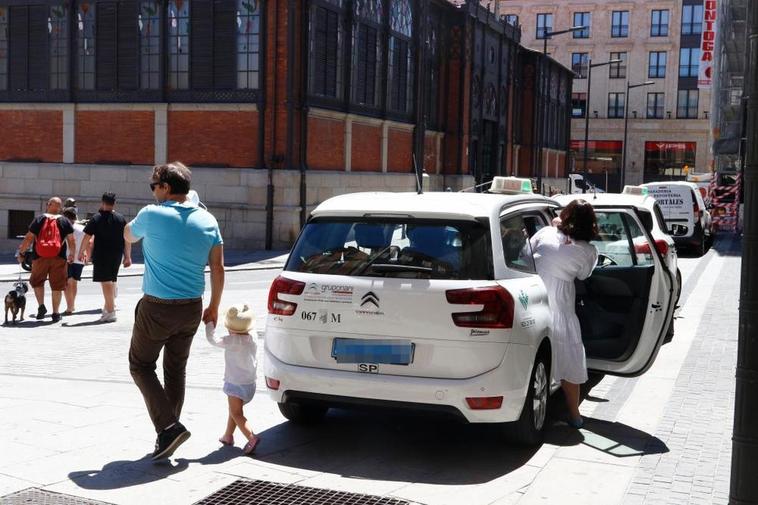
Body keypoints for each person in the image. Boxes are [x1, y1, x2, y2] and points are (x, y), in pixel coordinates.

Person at [124, 161, 225, 461]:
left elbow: (129, 235)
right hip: (192, 307)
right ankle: (168, 432)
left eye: (154, 186)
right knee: (175, 369)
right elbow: (218, 268)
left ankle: (168, 427)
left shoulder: (152, 214)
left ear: (166, 188)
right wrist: (214, 306)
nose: (153, 191)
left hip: (157, 307)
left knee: (140, 365)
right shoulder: (208, 220)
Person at [529, 200, 598, 429]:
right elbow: (583, 275)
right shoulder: (588, 251)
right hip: (561, 305)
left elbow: (525, 253)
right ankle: (575, 416)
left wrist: (556, 226)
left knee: (536, 360)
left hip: (534, 299)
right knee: (569, 360)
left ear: (565, 215)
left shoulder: (545, 232)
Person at [205, 304, 260, 455]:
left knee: (236, 413)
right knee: (234, 411)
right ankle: (228, 436)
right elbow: (247, 326)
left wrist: (209, 323)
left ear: (230, 329)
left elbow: (213, 339)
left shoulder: (231, 341)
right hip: (250, 384)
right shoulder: (253, 337)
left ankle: (251, 437)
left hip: (236, 385)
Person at [16, 197, 76, 322]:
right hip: (59, 258)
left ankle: (41, 306)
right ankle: (55, 313)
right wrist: (72, 254)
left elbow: (29, 238)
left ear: (48, 205)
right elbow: (71, 240)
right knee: (57, 286)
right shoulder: (65, 221)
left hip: (39, 257)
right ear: (60, 208)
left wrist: (21, 252)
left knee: (38, 282)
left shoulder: (39, 219)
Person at [79, 192, 131, 323]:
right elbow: (127, 239)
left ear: (102, 203)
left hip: (102, 255)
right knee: (111, 281)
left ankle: (111, 311)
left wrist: (81, 252)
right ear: (114, 203)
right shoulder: (121, 218)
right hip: (116, 255)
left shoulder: (97, 218)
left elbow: (87, 237)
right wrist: (128, 256)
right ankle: (107, 309)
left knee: (106, 283)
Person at [63, 207, 86, 315]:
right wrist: (86, 254)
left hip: (67, 258)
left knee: (67, 283)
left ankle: (69, 307)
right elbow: (89, 242)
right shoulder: (82, 228)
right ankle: (72, 305)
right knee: (74, 282)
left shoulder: (64, 228)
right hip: (80, 259)